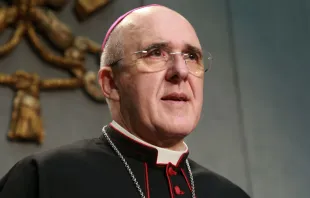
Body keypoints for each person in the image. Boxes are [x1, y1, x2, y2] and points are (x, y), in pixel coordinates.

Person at [0, 4, 250, 198]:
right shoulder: (43, 180)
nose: (181, 71)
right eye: (156, 53)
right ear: (111, 83)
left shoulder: (230, 195)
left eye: (191, 56)